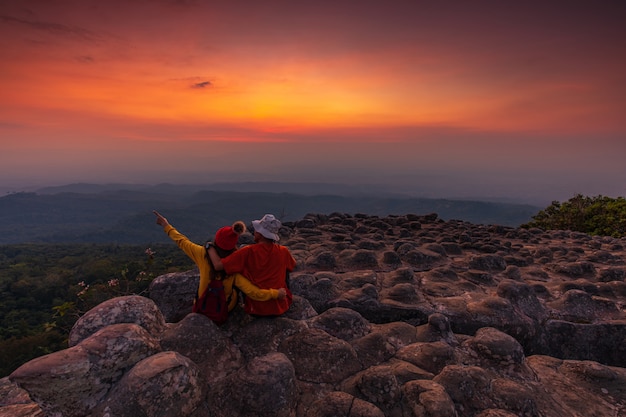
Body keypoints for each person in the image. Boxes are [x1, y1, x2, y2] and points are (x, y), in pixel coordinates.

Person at [153, 211, 286, 320]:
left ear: (216, 239)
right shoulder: (234, 266)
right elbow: (253, 292)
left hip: (203, 307)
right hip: (225, 308)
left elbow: (181, 241)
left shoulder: (202, 254)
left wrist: (165, 224)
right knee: (239, 287)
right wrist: (276, 293)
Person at [208, 214, 296, 317]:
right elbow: (292, 266)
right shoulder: (283, 251)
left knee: (235, 271)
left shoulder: (248, 251)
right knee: (285, 268)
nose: (254, 232)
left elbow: (218, 266)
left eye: (256, 230)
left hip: (256, 309)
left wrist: (209, 247)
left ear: (261, 234)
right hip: (280, 307)